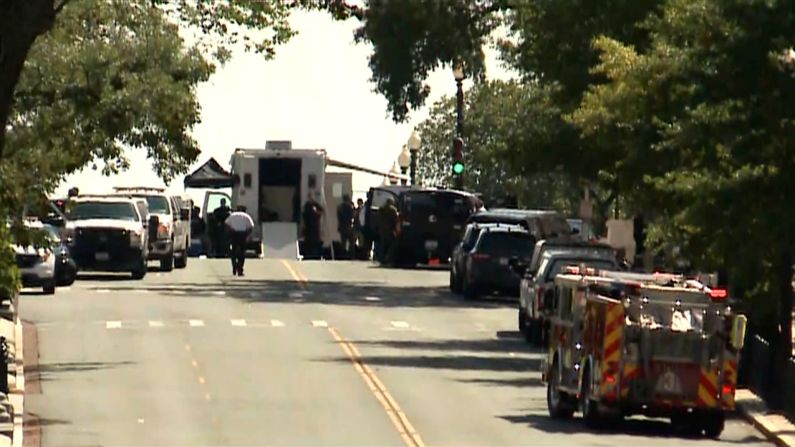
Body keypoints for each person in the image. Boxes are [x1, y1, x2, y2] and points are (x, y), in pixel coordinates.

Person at [225, 206, 254, 276]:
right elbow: (251, 226)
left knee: (233, 251)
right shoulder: (246, 216)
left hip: (234, 234)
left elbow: (226, 223)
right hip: (243, 234)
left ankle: (234, 266)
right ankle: (240, 268)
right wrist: (247, 234)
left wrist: (230, 231)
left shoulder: (232, 215)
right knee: (242, 252)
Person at [376, 197, 399, 265]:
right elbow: (395, 220)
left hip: (382, 230)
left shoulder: (381, 209)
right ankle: (389, 259)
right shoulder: (393, 210)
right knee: (391, 245)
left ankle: (382, 259)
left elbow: (378, 219)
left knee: (383, 245)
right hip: (390, 230)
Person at [302, 193, 324, 259]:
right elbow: (304, 215)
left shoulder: (315, 204)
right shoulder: (307, 205)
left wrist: (316, 212)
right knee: (309, 240)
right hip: (308, 226)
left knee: (315, 240)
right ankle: (308, 254)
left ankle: (315, 254)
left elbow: (321, 211)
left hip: (315, 225)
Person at [337, 194, 355, 259]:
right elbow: (351, 216)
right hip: (348, 226)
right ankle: (351, 255)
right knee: (351, 241)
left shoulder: (339, 207)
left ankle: (343, 255)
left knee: (343, 242)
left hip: (341, 226)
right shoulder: (349, 207)